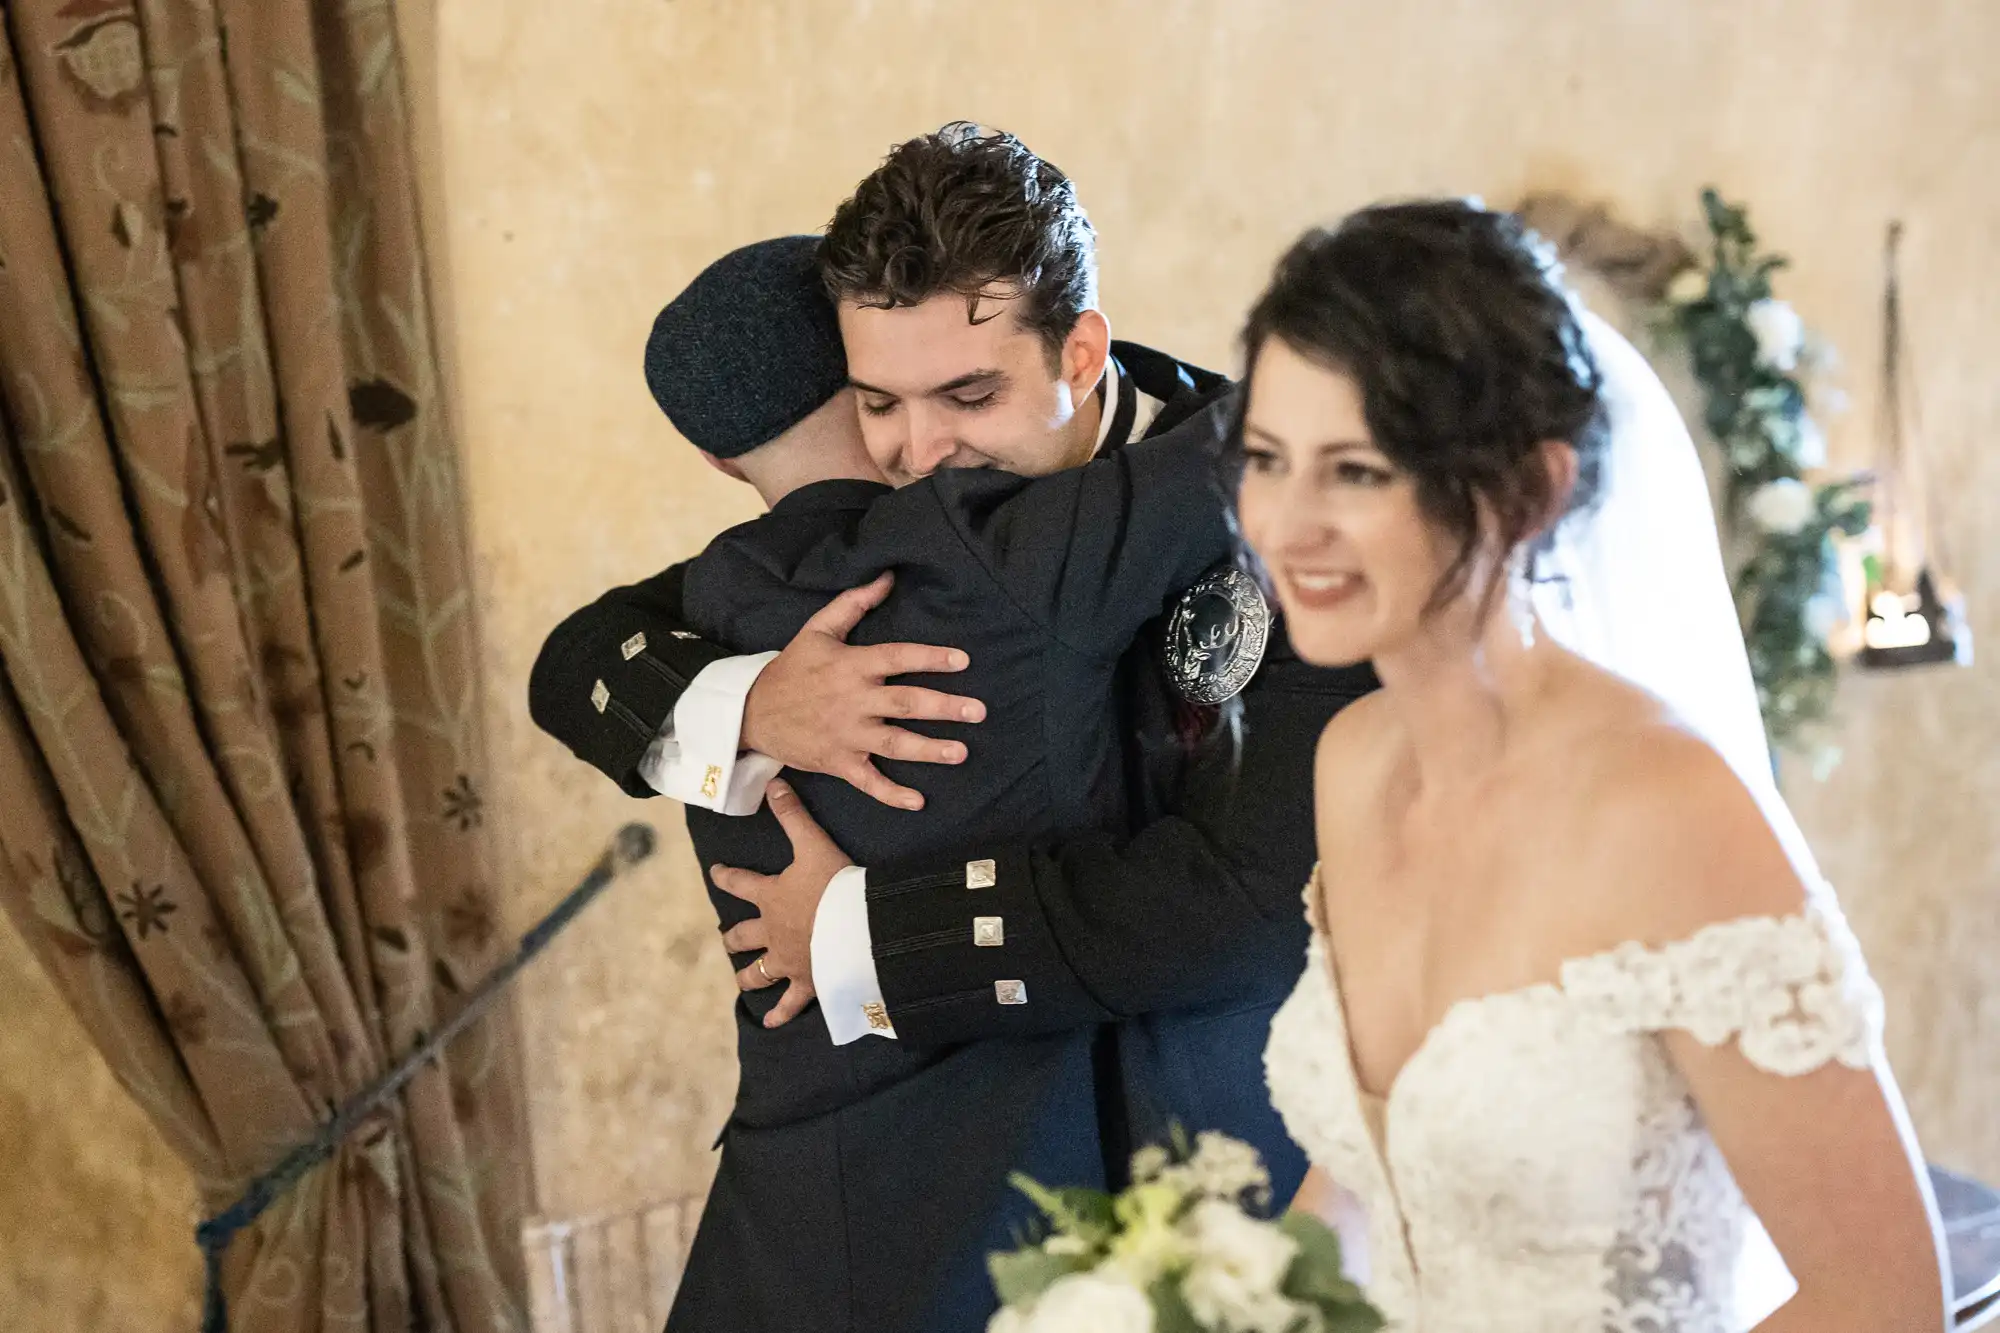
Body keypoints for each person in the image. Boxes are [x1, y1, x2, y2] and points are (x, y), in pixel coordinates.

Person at [529, 123, 1374, 1268]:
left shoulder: (1276, 494)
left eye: (967, 394)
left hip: (1223, 1171)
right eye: (877, 402)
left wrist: (866, 934)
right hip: (960, 1191)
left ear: (1080, 353)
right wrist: (751, 705)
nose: (918, 451)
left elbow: (1255, 903)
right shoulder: (908, 522)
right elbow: (587, 654)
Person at [1246, 201, 1949, 1331]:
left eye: (1356, 471)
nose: (1284, 524)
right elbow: (1376, 1179)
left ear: (1527, 492)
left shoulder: (1669, 810)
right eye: (1267, 461)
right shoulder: (1350, 764)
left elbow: (1886, 1300)